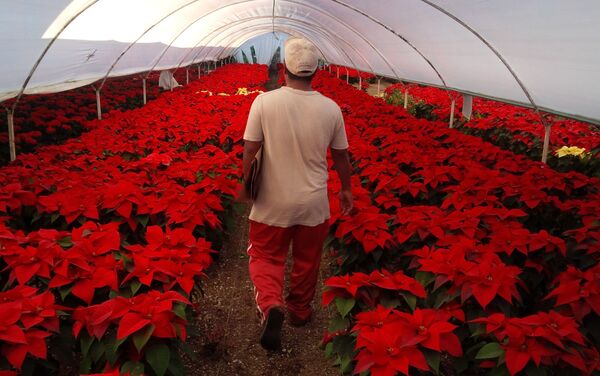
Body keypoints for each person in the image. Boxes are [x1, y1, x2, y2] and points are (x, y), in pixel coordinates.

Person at [240, 37, 353, 351]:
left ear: (282, 69)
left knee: (265, 255)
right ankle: (299, 313)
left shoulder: (264, 102)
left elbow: (251, 147)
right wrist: (346, 190)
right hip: (313, 204)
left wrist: (247, 181)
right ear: (316, 72)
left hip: (272, 202)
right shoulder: (330, 108)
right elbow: (342, 156)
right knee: (306, 260)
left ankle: (270, 304)